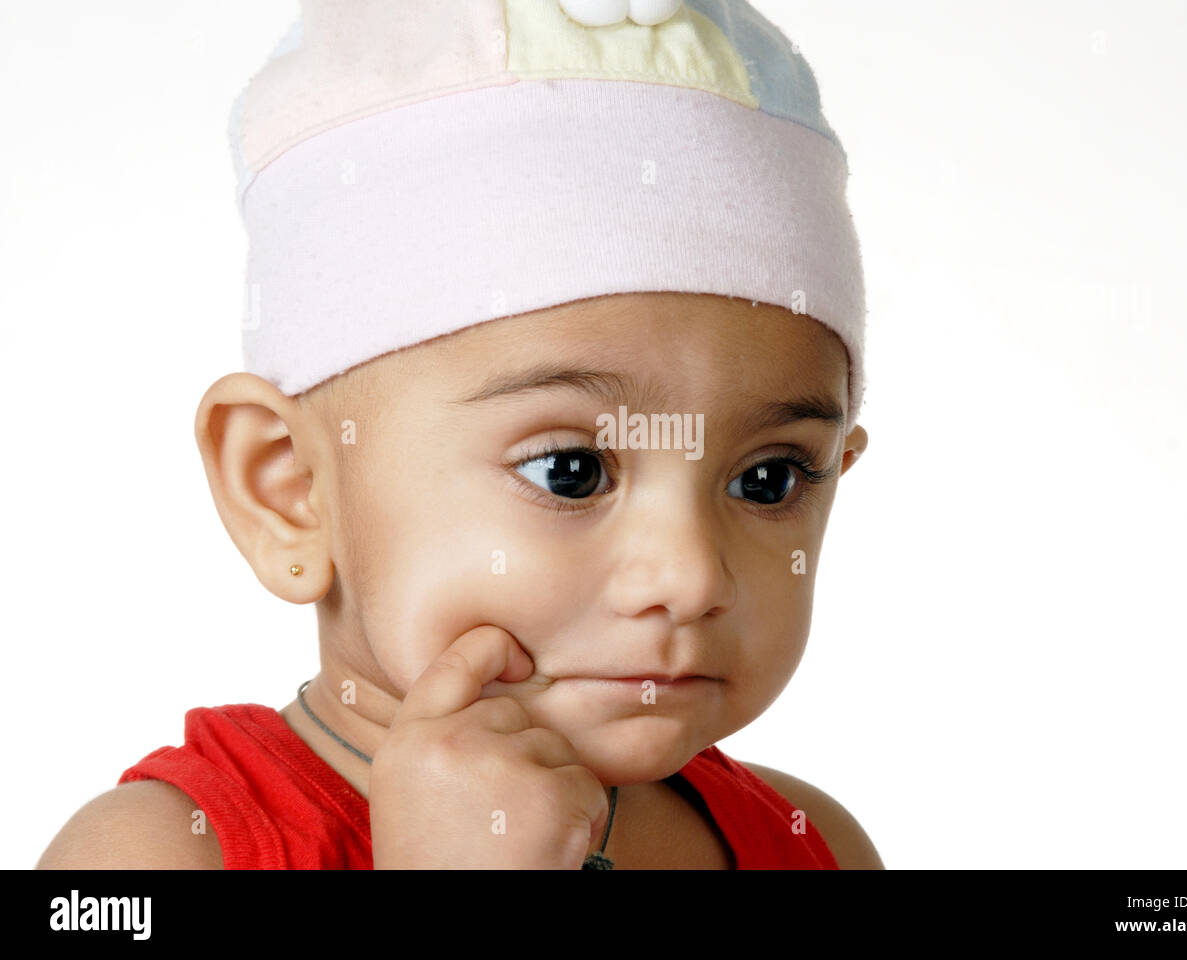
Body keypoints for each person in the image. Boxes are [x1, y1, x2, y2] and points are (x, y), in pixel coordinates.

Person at [37, 0, 883, 870]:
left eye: (769, 479)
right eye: (572, 470)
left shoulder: (814, 844)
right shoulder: (151, 858)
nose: (691, 575)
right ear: (288, 487)